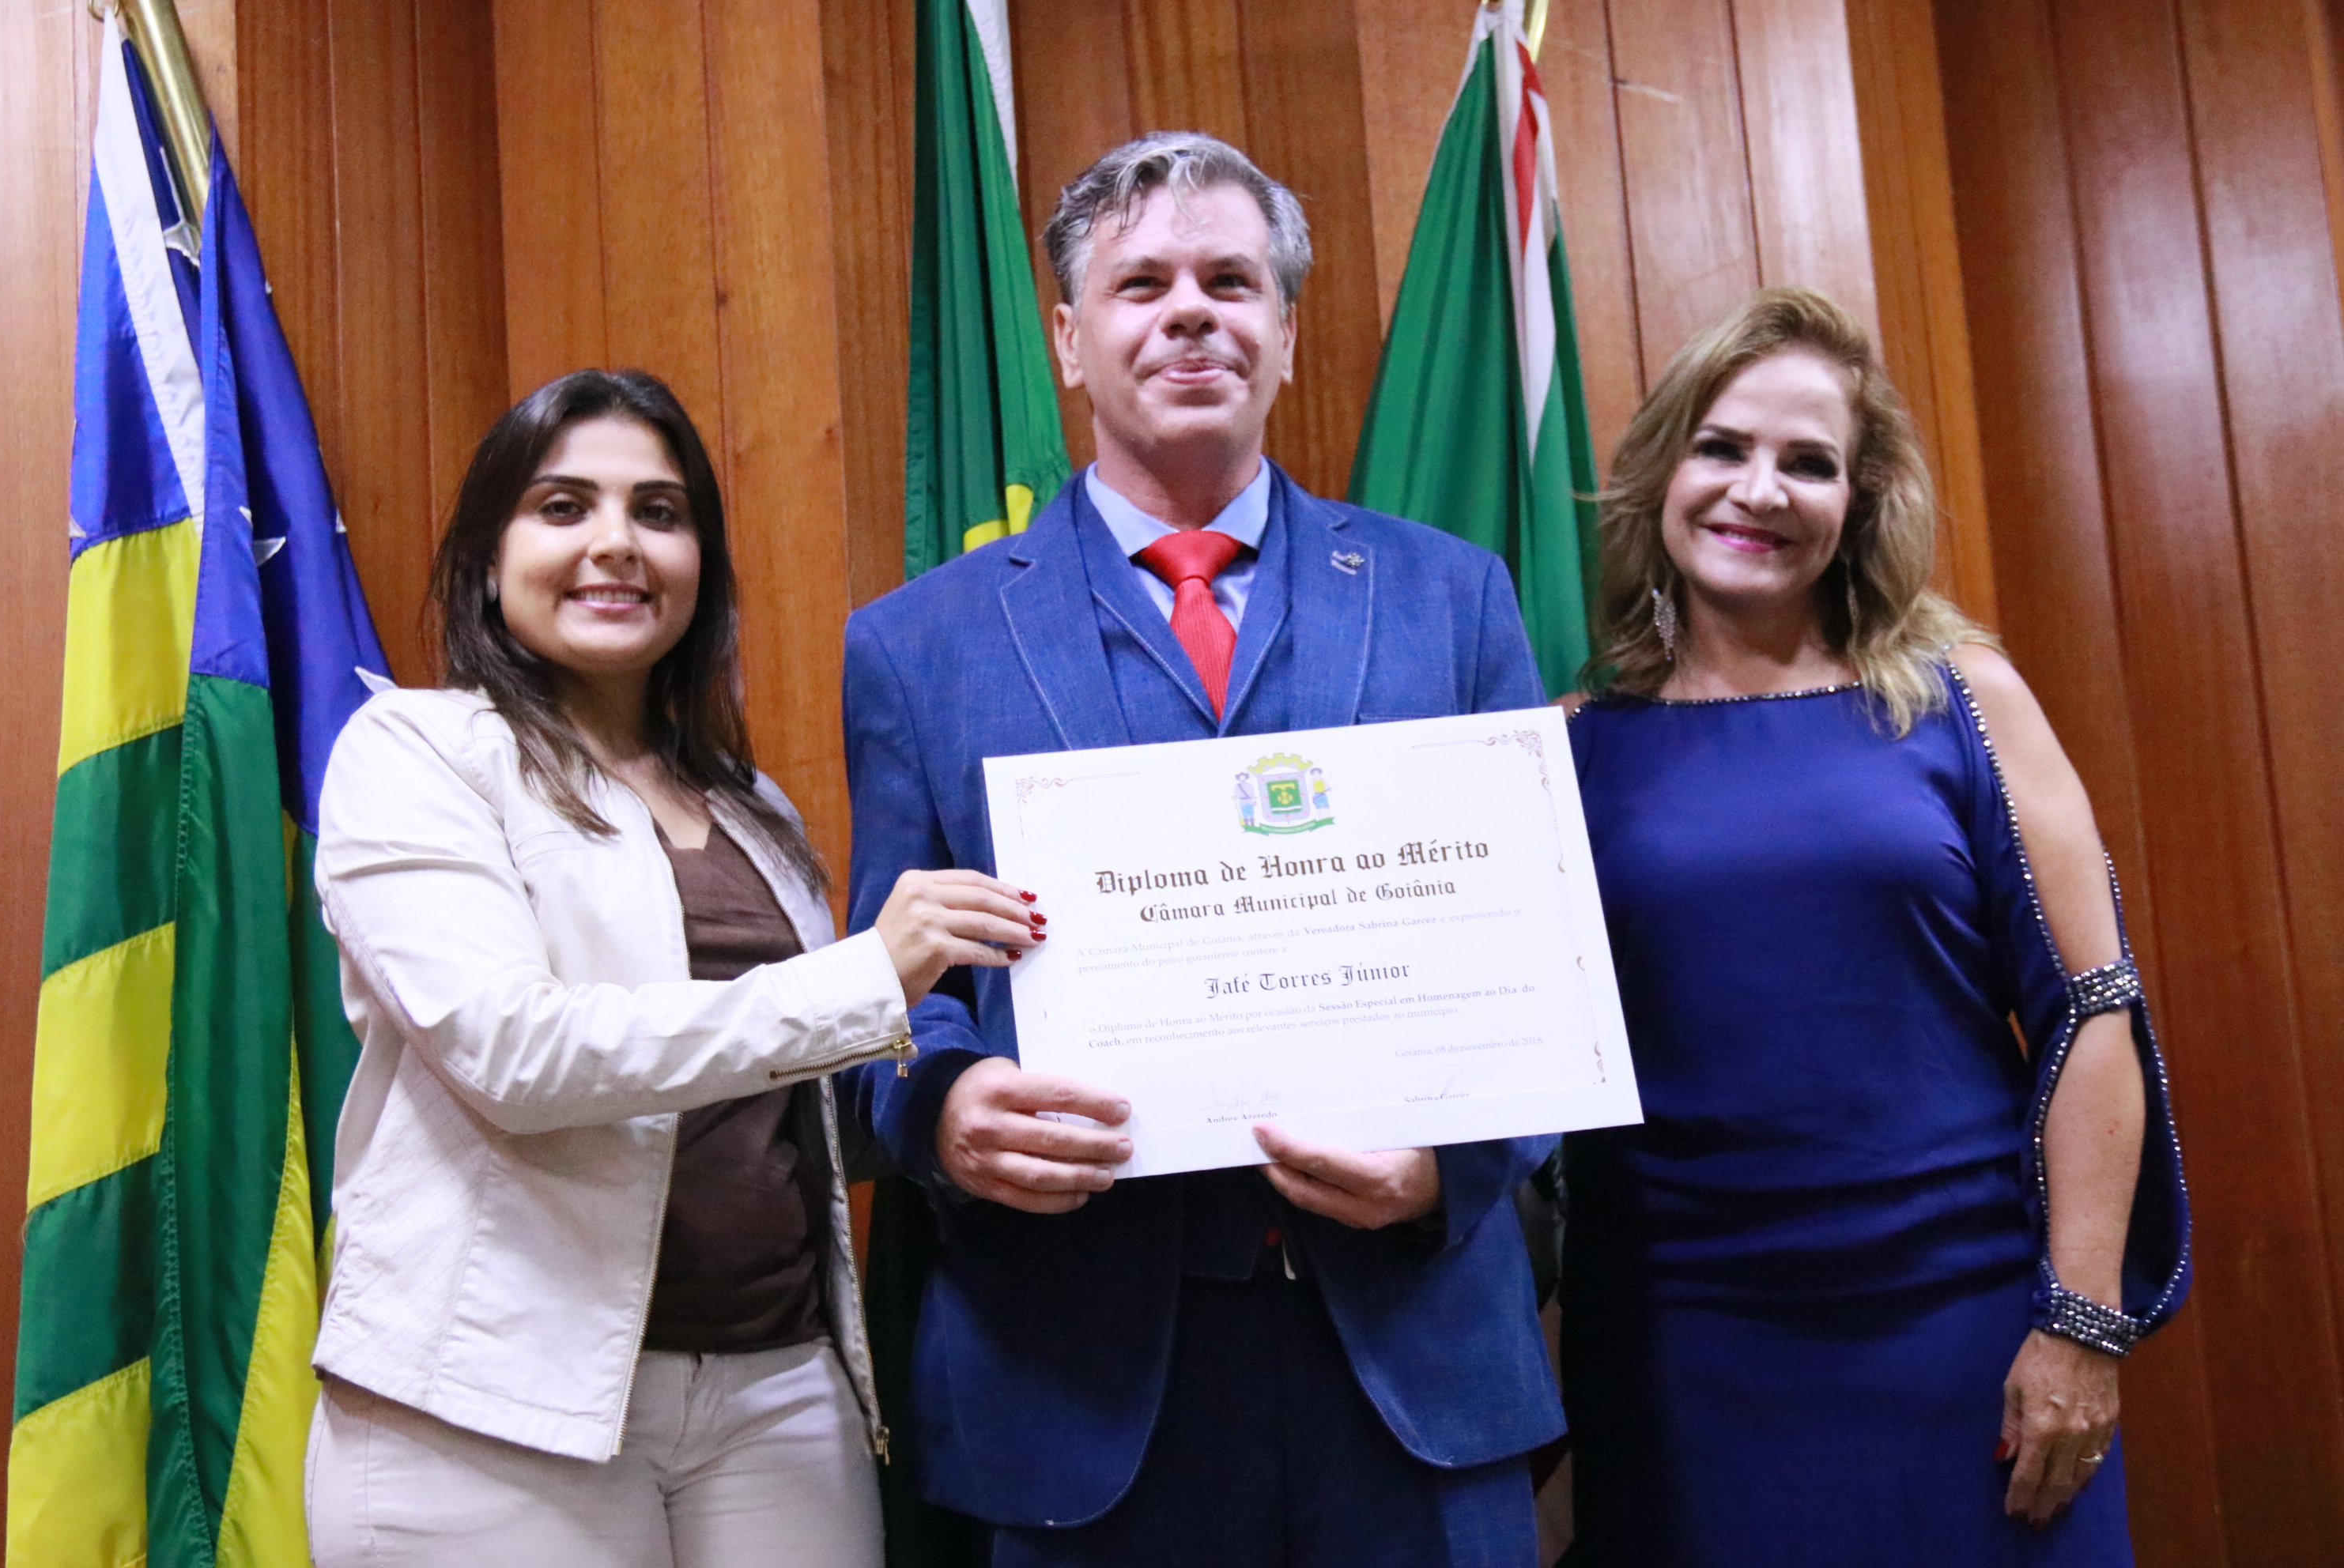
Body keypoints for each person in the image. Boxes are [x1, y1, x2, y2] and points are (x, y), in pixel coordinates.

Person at [841, 133, 1562, 1568]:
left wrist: (1453, 1164)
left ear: (1285, 333)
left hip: (1414, 1362)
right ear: (1068, 339)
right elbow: (890, 992)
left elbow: (1541, 969)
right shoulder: (918, 645)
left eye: (1231, 282)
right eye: (1142, 284)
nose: (1190, 312)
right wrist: (948, 1107)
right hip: (1076, 1383)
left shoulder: (1453, 598)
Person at [304, 369, 1036, 1566]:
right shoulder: (415, 751)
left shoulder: (755, 809)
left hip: (779, 1388)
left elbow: (784, 1103)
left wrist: (963, 1103)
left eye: (658, 511)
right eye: (563, 507)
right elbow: (515, 1055)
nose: (616, 544)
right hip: (494, 1411)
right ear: (487, 558)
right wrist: (862, 982)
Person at [1558, 287, 2189, 1565]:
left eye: (1808, 463)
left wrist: (2081, 1321)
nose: (1759, 491)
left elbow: (2093, 1011)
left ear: (1859, 501)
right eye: (1722, 447)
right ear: (1662, 469)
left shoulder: (1964, 700)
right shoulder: (1568, 746)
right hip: (1686, 1341)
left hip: (1967, 1329)